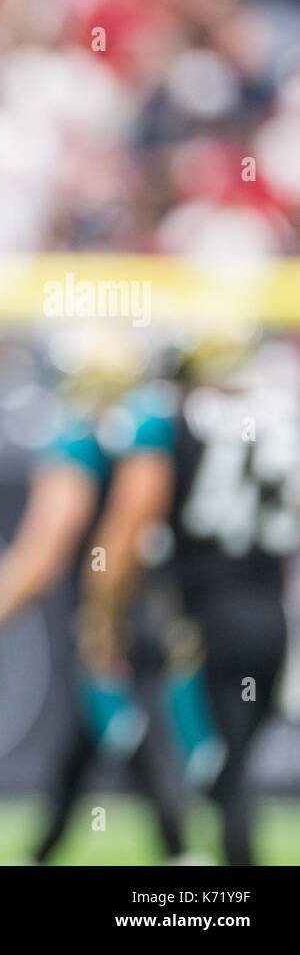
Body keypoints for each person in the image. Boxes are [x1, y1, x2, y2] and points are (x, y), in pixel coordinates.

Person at [0, 370, 189, 864]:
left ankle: (179, 853)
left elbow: (46, 551)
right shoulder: (153, 429)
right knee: (91, 732)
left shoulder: (82, 438)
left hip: (114, 610)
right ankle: (46, 851)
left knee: (123, 725)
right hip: (160, 600)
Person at [79, 338, 298, 864]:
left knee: (219, 767)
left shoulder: (167, 417)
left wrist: (101, 613)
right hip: (271, 614)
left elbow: (129, 526)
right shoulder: (280, 414)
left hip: (204, 618)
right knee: (233, 762)